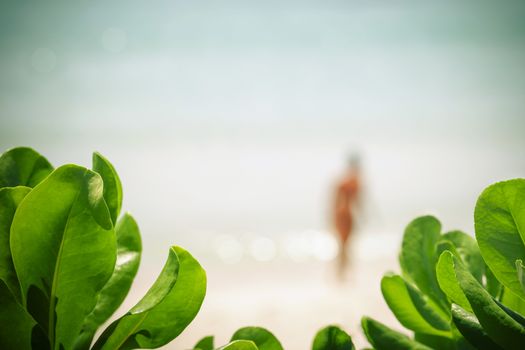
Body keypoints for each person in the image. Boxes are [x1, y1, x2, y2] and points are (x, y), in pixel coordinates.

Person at [332, 155, 361, 279]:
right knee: (345, 245)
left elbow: (334, 201)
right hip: (346, 215)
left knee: (344, 245)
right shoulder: (352, 182)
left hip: (343, 215)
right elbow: (359, 203)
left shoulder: (347, 181)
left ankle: (342, 273)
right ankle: (342, 273)